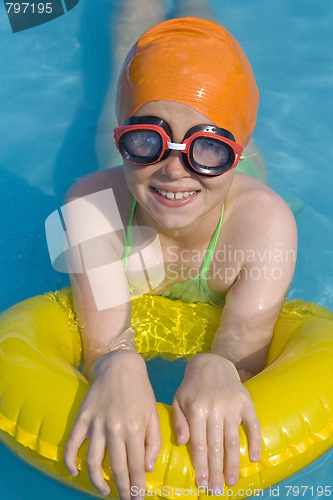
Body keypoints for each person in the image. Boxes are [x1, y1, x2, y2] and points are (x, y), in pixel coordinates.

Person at [63, 17, 297, 499]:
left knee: (200, 34)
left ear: (233, 153)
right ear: (122, 139)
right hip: (121, 186)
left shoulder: (266, 227)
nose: (173, 170)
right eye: (147, 140)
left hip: (238, 204)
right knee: (128, 44)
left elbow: (246, 350)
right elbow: (101, 344)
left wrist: (225, 365)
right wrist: (114, 362)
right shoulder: (88, 207)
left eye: (209, 148)